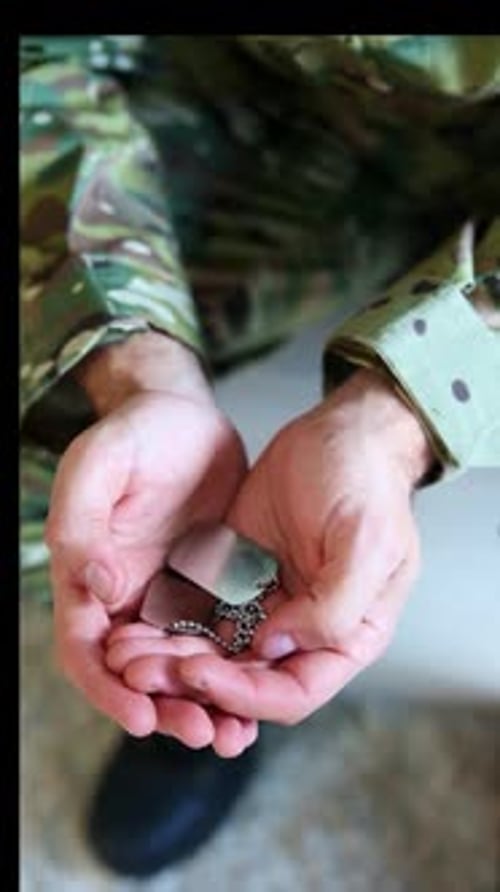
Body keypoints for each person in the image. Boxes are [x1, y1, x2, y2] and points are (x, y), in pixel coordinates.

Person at [20, 35, 500, 878]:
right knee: (57, 488)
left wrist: (401, 418)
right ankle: (197, 675)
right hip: (237, 97)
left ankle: (238, 661)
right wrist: (131, 364)